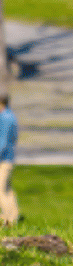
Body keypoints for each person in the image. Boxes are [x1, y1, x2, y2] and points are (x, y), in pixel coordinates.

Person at [0, 95, 17, 225]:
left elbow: (3, 141)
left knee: (0, 189)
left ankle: (7, 220)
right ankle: (14, 216)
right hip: (9, 156)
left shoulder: (4, 117)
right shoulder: (11, 116)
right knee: (7, 189)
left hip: (3, 158)